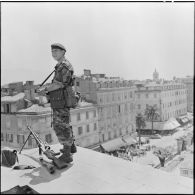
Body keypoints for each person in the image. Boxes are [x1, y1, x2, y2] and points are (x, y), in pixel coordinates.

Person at [39, 43, 79, 164]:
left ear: (63, 52)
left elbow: (60, 84)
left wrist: (45, 89)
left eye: (56, 51)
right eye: (52, 51)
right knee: (63, 125)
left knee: (61, 126)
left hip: (62, 102)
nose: (54, 53)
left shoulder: (65, 66)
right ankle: (69, 147)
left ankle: (67, 155)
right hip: (58, 101)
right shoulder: (59, 66)